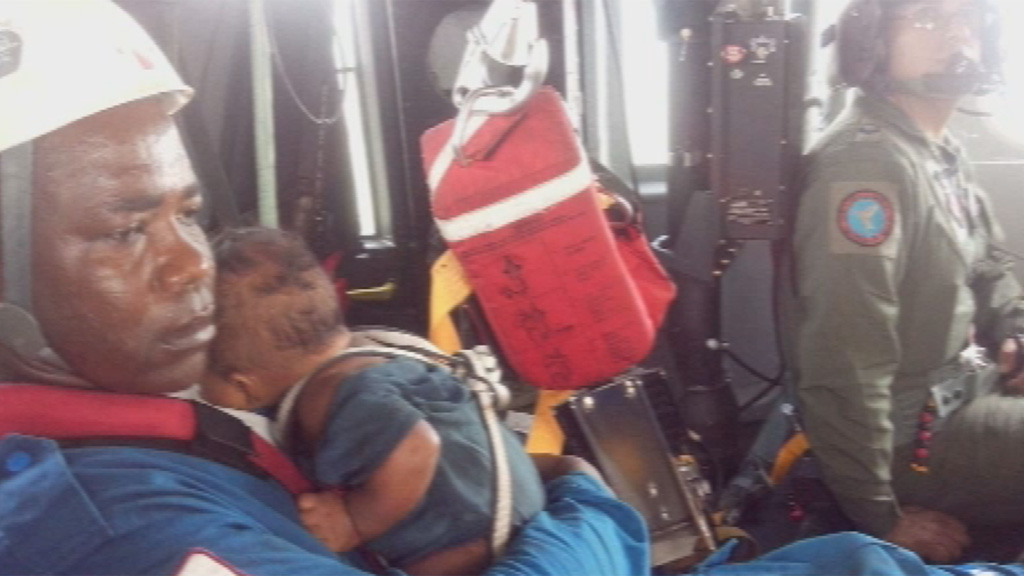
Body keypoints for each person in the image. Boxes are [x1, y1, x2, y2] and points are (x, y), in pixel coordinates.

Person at [0, 1, 649, 575]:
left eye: (189, 216)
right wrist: (590, 506)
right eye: (127, 232)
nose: (193, 266)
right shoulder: (132, 534)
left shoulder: (134, 424)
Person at [785, 0, 1024, 564]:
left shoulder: (935, 150)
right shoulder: (866, 168)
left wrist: (1016, 327)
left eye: (966, 17)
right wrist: (877, 514)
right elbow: (846, 357)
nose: (955, 33)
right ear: (872, 41)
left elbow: (988, 263)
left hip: (972, 387)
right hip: (913, 443)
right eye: (925, 16)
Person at [200, 226, 546, 576]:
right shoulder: (381, 350)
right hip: (516, 501)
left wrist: (353, 520)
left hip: (475, 538)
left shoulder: (325, 393)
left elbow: (415, 449)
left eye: (200, 376)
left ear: (242, 384)